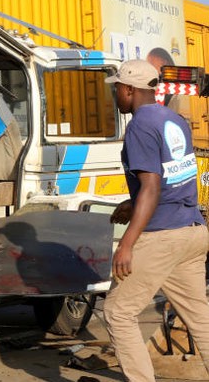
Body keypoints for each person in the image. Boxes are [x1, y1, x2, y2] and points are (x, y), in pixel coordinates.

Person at [104, 59, 209, 382]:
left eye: (117, 90)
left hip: (163, 235)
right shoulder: (174, 119)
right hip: (192, 232)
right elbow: (169, 181)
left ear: (129, 90)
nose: (115, 96)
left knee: (117, 312)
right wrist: (132, 203)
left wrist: (127, 243)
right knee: (200, 318)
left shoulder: (139, 126)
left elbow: (151, 186)